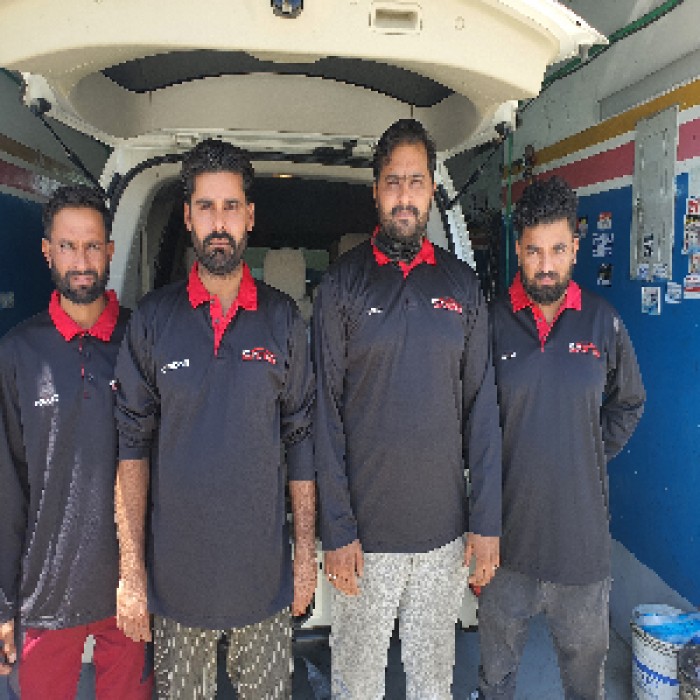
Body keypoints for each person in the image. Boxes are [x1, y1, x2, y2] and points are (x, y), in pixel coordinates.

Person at [113, 139, 316, 699]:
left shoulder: (283, 320)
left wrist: (304, 559)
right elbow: (131, 448)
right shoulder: (153, 320)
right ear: (188, 217)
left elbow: (301, 439)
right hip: (177, 590)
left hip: (263, 585)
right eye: (206, 207)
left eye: (231, 207)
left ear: (250, 216)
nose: (218, 223)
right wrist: (132, 573)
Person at [313, 118, 502, 700]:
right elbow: (324, 415)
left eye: (415, 181)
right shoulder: (341, 287)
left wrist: (486, 522)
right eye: (393, 182)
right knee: (358, 685)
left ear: (431, 191)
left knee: (431, 684)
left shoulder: (463, 286)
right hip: (363, 543)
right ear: (376, 191)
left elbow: (483, 408)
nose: (404, 195)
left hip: (443, 538)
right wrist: (336, 530)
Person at [477, 176, 646, 699]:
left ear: (575, 247)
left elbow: (629, 403)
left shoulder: (603, 323)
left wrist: (588, 452)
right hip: (506, 545)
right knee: (496, 679)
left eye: (557, 250)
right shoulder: (491, 324)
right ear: (518, 250)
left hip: (582, 549)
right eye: (534, 251)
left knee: (583, 686)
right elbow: (471, 420)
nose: (545, 264)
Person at [0, 185, 152, 699]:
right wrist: (3, 603)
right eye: (68, 246)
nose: (81, 262)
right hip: (45, 597)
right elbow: (6, 488)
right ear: (47, 251)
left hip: (129, 595)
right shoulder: (18, 354)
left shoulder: (142, 342)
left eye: (92, 247)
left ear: (110, 250)